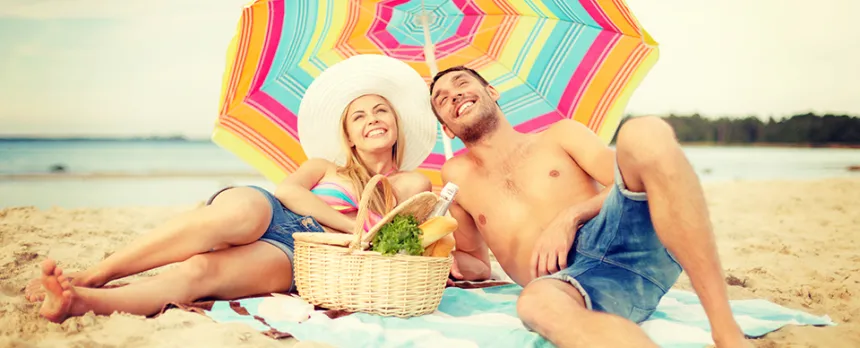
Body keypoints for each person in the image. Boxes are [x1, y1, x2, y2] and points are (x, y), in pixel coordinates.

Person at [29, 54, 439, 323]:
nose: (372, 119)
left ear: (397, 121)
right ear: (349, 136)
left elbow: (397, 241)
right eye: (359, 116)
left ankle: (79, 303)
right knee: (240, 213)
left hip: (302, 252)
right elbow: (289, 194)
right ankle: (96, 274)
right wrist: (349, 226)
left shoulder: (409, 183)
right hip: (272, 213)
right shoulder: (323, 166)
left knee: (200, 272)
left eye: (381, 110)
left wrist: (353, 226)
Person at [429, 66, 751, 348]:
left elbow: (629, 180)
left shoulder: (560, 135)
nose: (455, 95)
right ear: (445, 127)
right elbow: (475, 264)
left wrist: (570, 216)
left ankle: (726, 333)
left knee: (643, 132)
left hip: (628, 238)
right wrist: (430, 257)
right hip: (574, 285)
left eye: (461, 84)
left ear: (491, 91)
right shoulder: (457, 177)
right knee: (534, 305)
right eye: (442, 99)